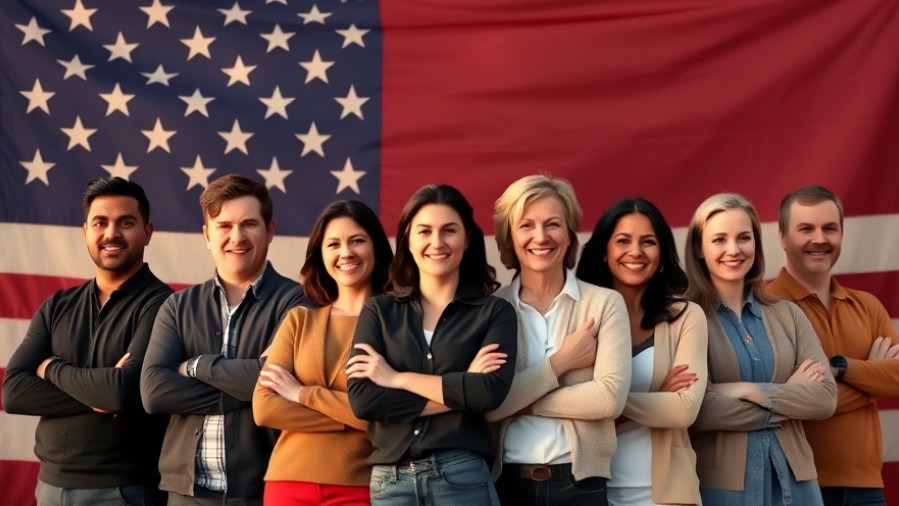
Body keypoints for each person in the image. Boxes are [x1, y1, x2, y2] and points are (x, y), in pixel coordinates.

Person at [2, 177, 172, 505]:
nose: (111, 233)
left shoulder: (163, 305)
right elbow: (14, 393)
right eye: (100, 222)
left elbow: (122, 391)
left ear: (147, 232)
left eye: (126, 222)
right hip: (50, 487)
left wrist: (51, 368)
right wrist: (99, 391)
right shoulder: (58, 306)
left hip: (124, 491)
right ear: (86, 232)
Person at [346, 184, 517, 506]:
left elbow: (489, 394)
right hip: (390, 481)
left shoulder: (494, 312)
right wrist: (461, 389)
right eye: (424, 231)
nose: (436, 243)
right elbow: (365, 400)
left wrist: (396, 378)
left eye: (449, 231)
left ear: (467, 239)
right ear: (408, 240)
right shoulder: (379, 311)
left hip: (461, 475)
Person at [140, 174, 305, 505]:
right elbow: (154, 393)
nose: (237, 237)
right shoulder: (178, 306)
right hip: (186, 495)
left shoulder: (297, 304)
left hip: (263, 492)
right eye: (224, 226)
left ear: (270, 229)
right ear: (207, 235)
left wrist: (197, 365)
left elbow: (285, 386)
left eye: (249, 224)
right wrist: (249, 385)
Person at [684, 192, 837, 506]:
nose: (734, 249)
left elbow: (824, 398)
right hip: (724, 491)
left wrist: (751, 390)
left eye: (744, 237)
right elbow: (699, 410)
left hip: (798, 486)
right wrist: (788, 394)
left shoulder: (789, 315)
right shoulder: (685, 319)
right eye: (719, 240)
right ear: (699, 248)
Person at [486, 174, 631, 506]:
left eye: (553, 224)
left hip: (581, 485)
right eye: (526, 226)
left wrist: (520, 402)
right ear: (510, 235)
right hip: (506, 484)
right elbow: (485, 404)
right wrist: (561, 363)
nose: (541, 236)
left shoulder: (604, 304)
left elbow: (608, 400)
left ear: (569, 235)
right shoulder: (491, 310)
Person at [252, 200, 394, 505]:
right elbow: (265, 409)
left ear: (376, 249)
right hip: (288, 480)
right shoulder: (299, 320)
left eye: (357, 240)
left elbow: (387, 416)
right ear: (322, 254)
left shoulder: (397, 325)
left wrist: (302, 394)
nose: (346, 253)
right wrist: (353, 416)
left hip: (362, 485)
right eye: (334, 244)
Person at [767, 185, 899, 506]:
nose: (819, 239)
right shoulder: (765, 306)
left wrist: (840, 368)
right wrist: (872, 383)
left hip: (867, 488)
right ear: (782, 237)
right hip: (794, 485)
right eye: (805, 229)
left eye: (830, 228)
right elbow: (786, 405)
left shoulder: (867, 306)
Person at [576, 197, 707, 506]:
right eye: (623, 241)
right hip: (588, 492)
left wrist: (602, 400)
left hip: (665, 494)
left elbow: (683, 410)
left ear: (661, 254)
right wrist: (657, 396)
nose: (635, 252)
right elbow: (565, 414)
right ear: (605, 252)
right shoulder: (581, 316)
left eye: (648, 242)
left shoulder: (685, 316)